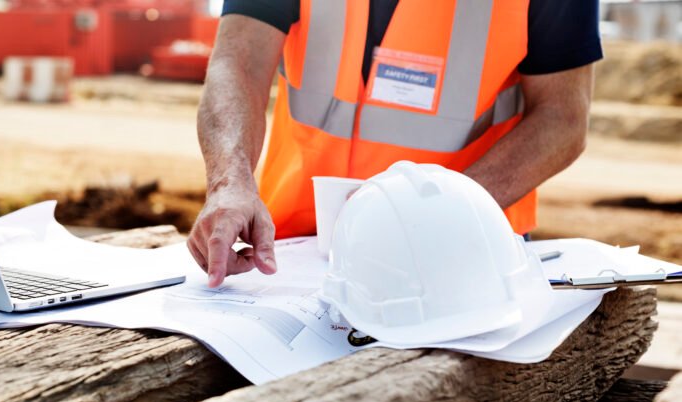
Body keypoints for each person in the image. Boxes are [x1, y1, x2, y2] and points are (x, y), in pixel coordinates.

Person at [188, 0, 603, 287]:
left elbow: (562, 119)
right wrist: (230, 184)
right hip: (296, 251)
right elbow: (237, 63)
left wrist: (433, 210)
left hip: (461, 250)